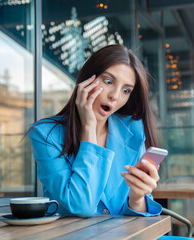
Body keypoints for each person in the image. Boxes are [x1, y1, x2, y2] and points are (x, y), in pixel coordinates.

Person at [28, 44, 163, 218]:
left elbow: (138, 221)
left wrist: (137, 198)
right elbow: (80, 206)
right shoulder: (45, 135)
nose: (115, 96)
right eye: (108, 81)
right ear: (86, 80)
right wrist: (89, 127)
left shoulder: (133, 131)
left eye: (126, 90)